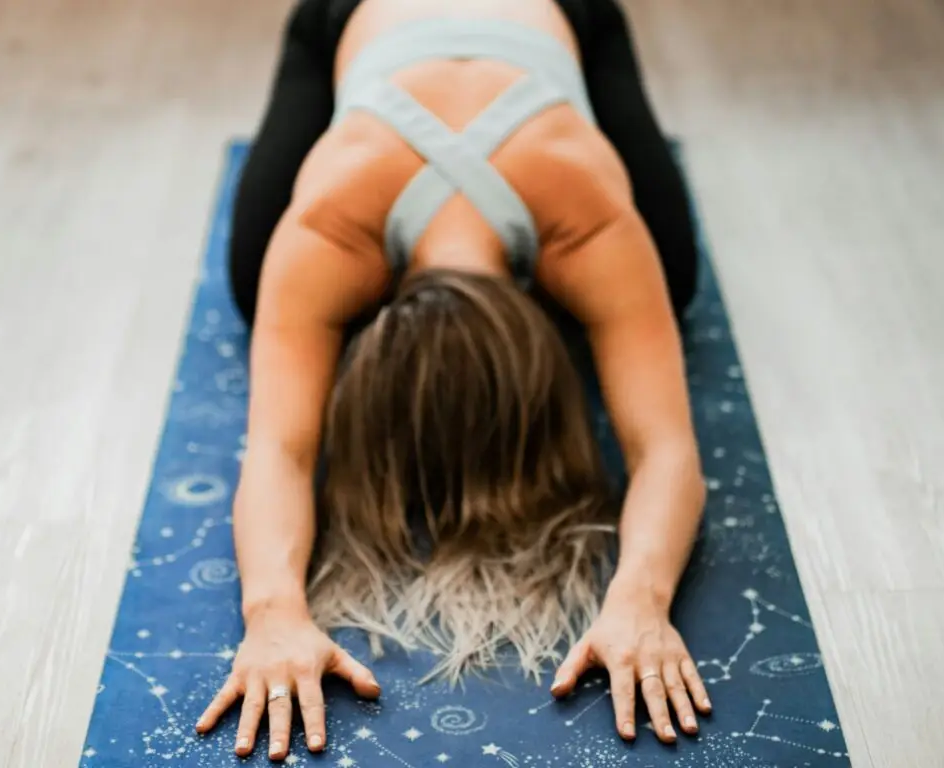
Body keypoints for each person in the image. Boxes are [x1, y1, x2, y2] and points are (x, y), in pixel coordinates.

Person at [196, 0, 710, 761]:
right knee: (253, 282)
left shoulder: (587, 214)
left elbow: (669, 452)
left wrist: (643, 599)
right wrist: (271, 613)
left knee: (675, 276)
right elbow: (279, 450)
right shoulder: (328, 226)